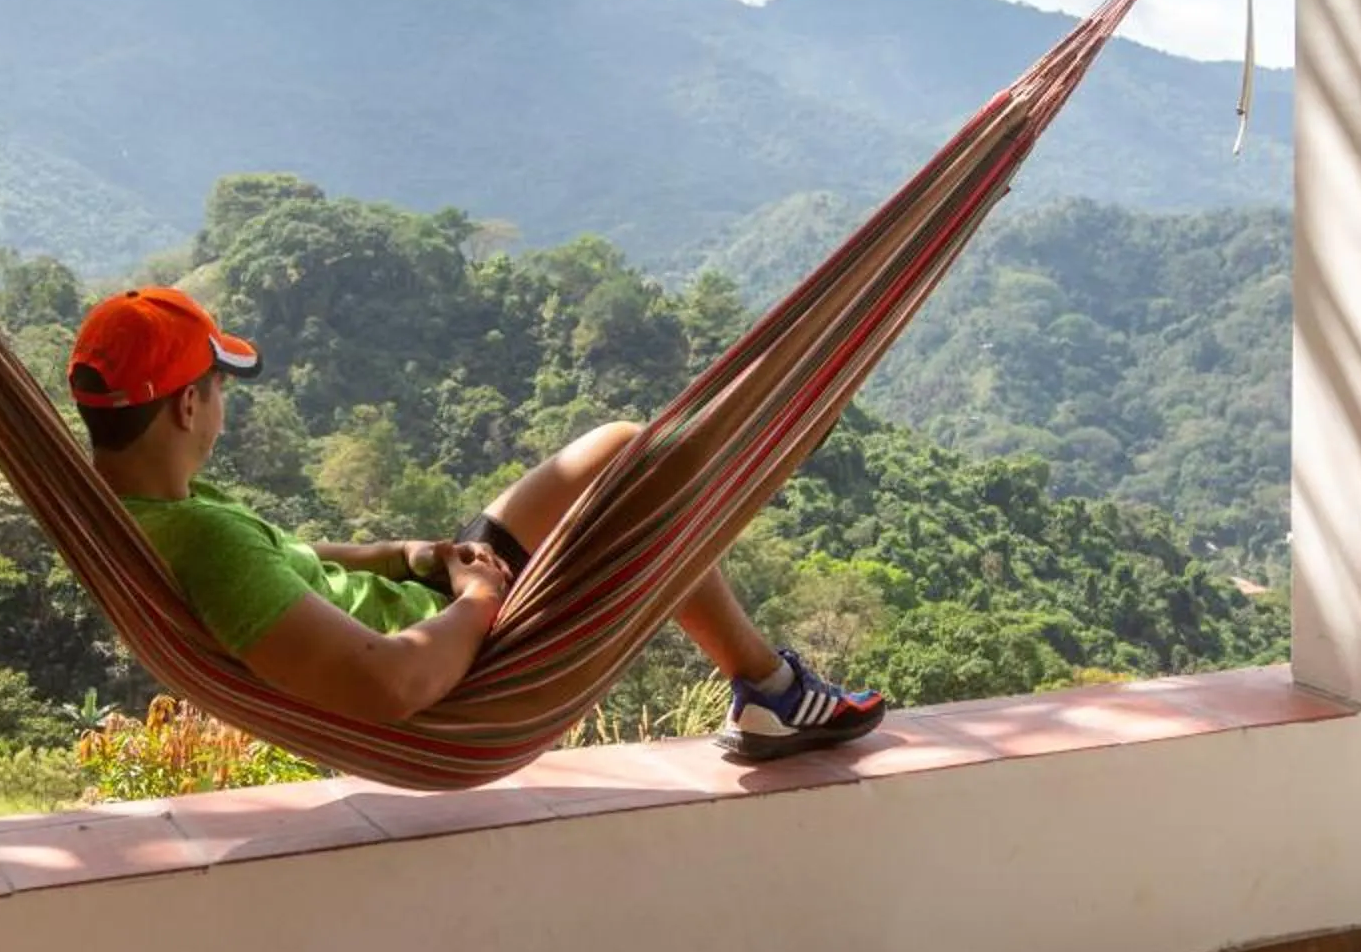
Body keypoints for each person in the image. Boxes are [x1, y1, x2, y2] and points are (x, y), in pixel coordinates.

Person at [68, 286, 885, 762]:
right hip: (457, 657)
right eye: (217, 388)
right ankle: (773, 692)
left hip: (437, 602)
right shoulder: (206, 541)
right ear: (185, 405)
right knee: (651, 499)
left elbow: (279, 560)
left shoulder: (139, 510)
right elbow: (390, 685)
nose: (222, 406)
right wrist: (476, 600)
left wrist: (402, 554)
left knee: (620, 450)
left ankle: (767, 688)